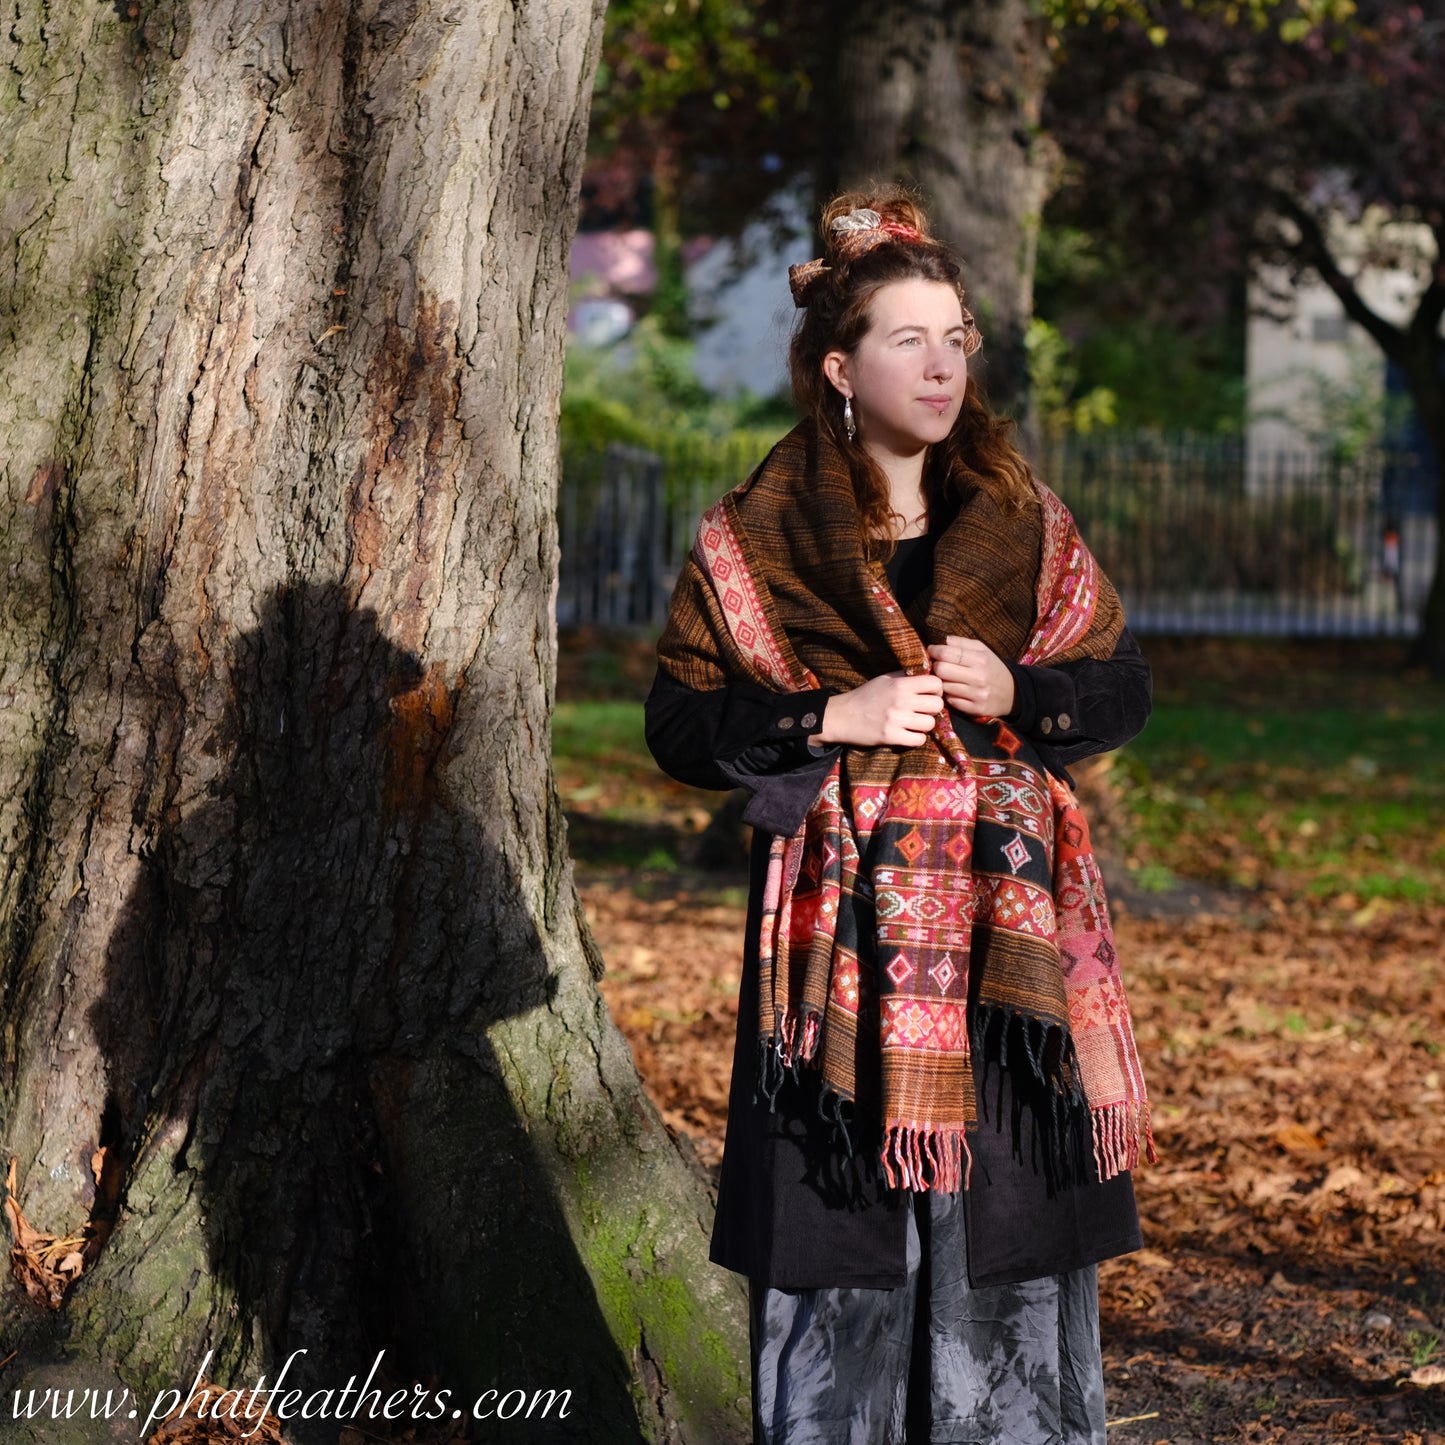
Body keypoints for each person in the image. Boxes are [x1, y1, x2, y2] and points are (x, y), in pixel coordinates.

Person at [644, 190, 1154, 1445]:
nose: (940, 365)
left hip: (1003, 956)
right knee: (840, 1263)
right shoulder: (757, 538)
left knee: (1009, 1245)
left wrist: (1018, 690)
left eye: (955, 337)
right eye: (906, 339)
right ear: (838, 365)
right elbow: (680, 725)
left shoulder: (1018, 519)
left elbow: (1119, 684)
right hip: (838, 965)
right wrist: (831, 713)